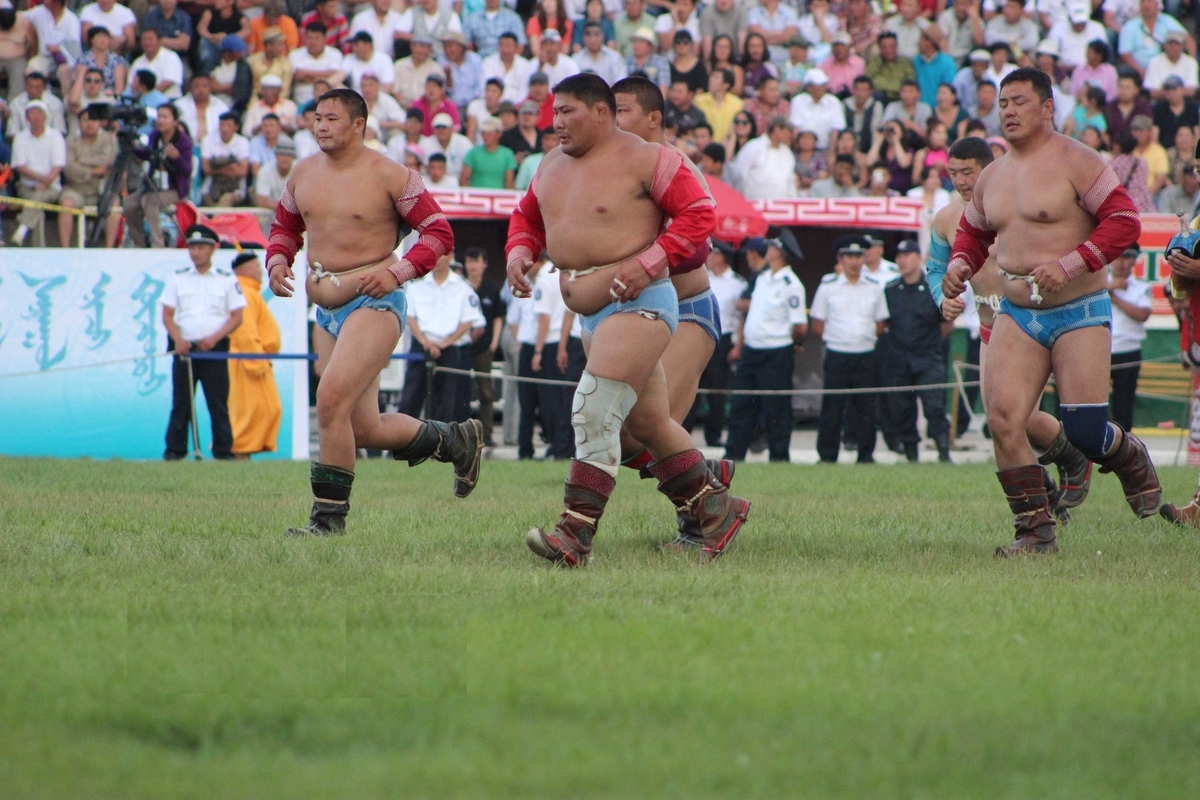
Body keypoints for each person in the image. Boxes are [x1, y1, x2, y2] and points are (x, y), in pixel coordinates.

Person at [506, 73, 747, 565]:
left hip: (641, 303)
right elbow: (527, 216)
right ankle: (716, 506)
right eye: (553, 113)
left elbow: (700, 216)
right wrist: (520, 251)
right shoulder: (549, 164)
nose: (557, 123)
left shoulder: (649, 159)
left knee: (593, 408)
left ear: (601, 112)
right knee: (650, 423)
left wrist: (649, 262)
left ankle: (574, 535)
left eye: (568, 112)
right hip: (593, 313)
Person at [943, 68, 1162, 556]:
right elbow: (974, 232)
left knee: (1084, 430)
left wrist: (1072, 263)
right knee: (1003, 419)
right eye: (1003, 103)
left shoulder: (1079, 161)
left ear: (1047, 108)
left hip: (1078, 307)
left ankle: (1126, 453)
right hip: (1017, 312)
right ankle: (1035, 531)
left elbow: (1125, 221)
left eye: (1020, 101)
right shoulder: (992, 176)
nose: (1009, 111)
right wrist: (960, 263)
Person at [267, 88, 480, 536]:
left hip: (374, 301)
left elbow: (438, 234)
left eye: (331, 119)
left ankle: (327, 522)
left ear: (358, 124)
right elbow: (285, 226)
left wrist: (398, 273)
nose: (320, 126)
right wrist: (277, 260)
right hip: (325, 310)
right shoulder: (302, 173)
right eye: (317, 119)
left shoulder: (391, 175)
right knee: (361, 427)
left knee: (329, 400)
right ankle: (455, 440)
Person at [934, 136, 1092, 521]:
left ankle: (1073, 458)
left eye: (967, 172)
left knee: (1022, 418)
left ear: (989, 169)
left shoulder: (1011, 203)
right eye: (953, 173)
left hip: (1027, 318)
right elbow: (935, 268)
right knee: (1002, 423)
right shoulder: (944, 219)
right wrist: (942, 296)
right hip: (991, 324)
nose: (960, 180)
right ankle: (1045, 498)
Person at [611, 75, 736, 547]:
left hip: (687, 310)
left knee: (650, 427)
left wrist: (641, 255)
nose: (613, 121)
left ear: (652, 118)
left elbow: (696, 249)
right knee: (623, 438)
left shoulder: (675, 166)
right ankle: (710, 476)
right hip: (636, 314)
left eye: (621, 110)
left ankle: (702, 525)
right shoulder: (613, 168)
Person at [162, 225, 246, 461]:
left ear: (212, 249)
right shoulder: (178, 278)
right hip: (184, 349)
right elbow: (167, 314)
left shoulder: (226, 279)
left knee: (217, 402)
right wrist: (178, 339)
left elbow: (238, 316)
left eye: (200, 247)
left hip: (214, 350)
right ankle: (175, 450)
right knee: (181, 402)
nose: (195, 252)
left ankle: (223, 451)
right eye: (192, 247)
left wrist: (214, 338)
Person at [724, 236, 808, 463]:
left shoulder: (792, 284)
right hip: (752, 350)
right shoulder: (762, 279)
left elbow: (800, 326)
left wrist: (788, 342)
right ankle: (734, 454)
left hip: (776, 352)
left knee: (776, 409)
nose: (768, 250)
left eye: (772, 247)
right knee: (742, 404)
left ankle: (779, 457)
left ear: (779, 253)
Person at [810, 236, 890, 464]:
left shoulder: (874, 288)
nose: (854, 262)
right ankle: (827, 455)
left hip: (865, 354)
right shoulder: (828, 287)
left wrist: (861, 338)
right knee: (832, 408)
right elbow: (818, 324)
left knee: (866, 408)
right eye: (849, 257)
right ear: (840, 259)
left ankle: (866, 455)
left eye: (858, 256)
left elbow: (880, 323)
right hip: (837, 354)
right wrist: (840, 338)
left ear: (864, 258)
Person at [883, 239, 953, 463]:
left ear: (919, 257)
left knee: (934, 405)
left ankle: (943, 451)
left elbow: (946, 323)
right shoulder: (891, 289)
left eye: (907, 255)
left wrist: (927, 344)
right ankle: (911, 453)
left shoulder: (933, 288)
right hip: (899, 358)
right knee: (902, 407)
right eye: (899, 256)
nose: (902, 260)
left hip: (928, 357)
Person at [399, 254, 487, 423]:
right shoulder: (417, 284)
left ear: (451, 256)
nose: (437, 259)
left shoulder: (463, 286)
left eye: (442, 254)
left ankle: (442, 446)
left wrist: (444, 344)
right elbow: (410, 317)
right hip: (422, 346)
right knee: (410, 399)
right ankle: (400, 444)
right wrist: (425, 342)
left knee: (447, 403)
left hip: (449, 348)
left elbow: (468, 321)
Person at [226, 252, 283, 459]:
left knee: (265, 410)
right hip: (248, 362)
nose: (260, 271)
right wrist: (257, 361)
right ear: (244, 270)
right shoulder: (245, 293)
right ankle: (235, 457)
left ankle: (241, 457)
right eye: (257, 266)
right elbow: (245, 331)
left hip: (257, 360)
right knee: (251, 412)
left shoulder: (251, 292)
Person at [691, 239, 745, 447]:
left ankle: (713, 436)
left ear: (720, 257)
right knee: (691, 386)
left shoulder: (738, 283)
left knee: (717, 389)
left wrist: (738, 345)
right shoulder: (703, 277)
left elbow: (741, 318)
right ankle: (684, 432)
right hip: (699, 335)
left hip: (722, 339)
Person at [125, 104, 192, 248]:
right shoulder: (154, 135)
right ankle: (139, 244)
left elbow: (187, 170)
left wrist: (177, 157)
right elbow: (149, 154)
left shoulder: (183, 140)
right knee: (130, 204)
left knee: (150, 201)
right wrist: (134, 147)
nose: (160, 120)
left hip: (174, 188)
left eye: (165, 117)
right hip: (153, 184)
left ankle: (158, 244)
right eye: (159, 116)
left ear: (175, 121)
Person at [1107, 245, 1152, 432]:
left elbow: (1142, 313)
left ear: (1134, 260)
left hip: (1127, 350)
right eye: (1116, 257)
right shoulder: (1099, 283)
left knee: (1123, 403)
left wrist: (1114, 296)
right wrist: (1109, 288)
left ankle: (1123, 446)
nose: (1120, 263)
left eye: (1126, 257)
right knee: (1092, 400)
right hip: (1099, 350)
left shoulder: (1141, 286)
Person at [59, 105, 116, 248]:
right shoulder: (70, 140)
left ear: (100, 123)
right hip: (75, 188)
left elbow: (107, 161)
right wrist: (92, 171)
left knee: (114, 204)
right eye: (85, 120)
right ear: (79, 122)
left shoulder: (109, 139)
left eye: (93, 120)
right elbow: (69, 167)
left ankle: (110, 248)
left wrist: (82, 161)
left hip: (101, 188)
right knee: (66, 204)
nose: (90, 123)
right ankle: (65, 249)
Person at [464, 248, 505, 448]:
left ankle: (486, 434)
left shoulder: (491, 289)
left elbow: (498, 316)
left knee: (486, 393)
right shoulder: (460, 287)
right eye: (469, 261)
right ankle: (461, 433)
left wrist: (494, 342)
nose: (472, 266)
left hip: (484, 348)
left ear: (484, 264)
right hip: (462, 346)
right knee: (460, 390)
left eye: (475, 261)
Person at [11, 101, 66, 247]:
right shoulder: (20, 137)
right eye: (32, 113)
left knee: (38, 198)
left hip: (51, 187)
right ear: (27, 117)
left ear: (46, 116)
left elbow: (58, 166)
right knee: (38, 210)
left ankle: (22, 228)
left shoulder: (55, 136)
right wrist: (41, 179)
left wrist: (46, 182)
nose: (36, 117)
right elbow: (20, 166)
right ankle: (38, 249)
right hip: (26, 186)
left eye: (40, 113)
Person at [290, 22, 347, 106]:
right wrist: (325, 76)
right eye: (309, 38)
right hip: (302, 102)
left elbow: (334, 74)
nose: (312, 42)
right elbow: (298, 76)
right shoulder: (295, 54)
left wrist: (307, 74)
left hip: (329, 104)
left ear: (325, 39)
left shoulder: (335, 53)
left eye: (317, 38)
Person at [461, 116, 517, 187]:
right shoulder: (473, 153)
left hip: (500, 197)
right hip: (476, 197)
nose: (485, 136)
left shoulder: (507, 154)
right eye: (483, 133)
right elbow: (464, 180)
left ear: (499, 134)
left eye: (489, 133)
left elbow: (509, 183)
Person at [130, 28, 183, 99]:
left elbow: (168, 82)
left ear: (159, 41)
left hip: (169, 100)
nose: (147, 42)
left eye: (150, 39)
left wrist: (149, 96)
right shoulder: (138, 62)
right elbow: (131, 84)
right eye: (144, 39)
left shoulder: (171, 57)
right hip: (142, 102)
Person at [255, 139, 296, 209]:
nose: (285, 158)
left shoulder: (300, 170)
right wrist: (285, 208)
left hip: (295, 214)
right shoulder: (265, 171)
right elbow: (262, 201)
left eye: (288, 155)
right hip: (272, 213)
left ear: (293, 157)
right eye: (282, 154)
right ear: (276, 156)